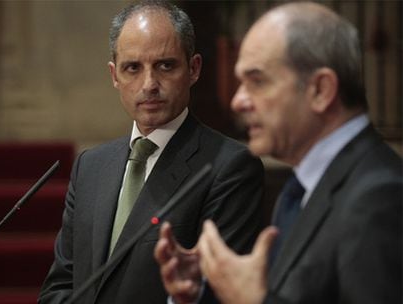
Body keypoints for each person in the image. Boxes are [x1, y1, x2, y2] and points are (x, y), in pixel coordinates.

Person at [155, 2, 402, 304]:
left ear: (320, 90)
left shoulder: (379, 196)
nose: (238, 101)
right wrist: (208, 289)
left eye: (257, 81)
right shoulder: (300, 188)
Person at [38, 1, 266, 303]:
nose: (149, 85)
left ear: (194, 68)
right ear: (114, 75)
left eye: (165, 65)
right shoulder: (90, 166)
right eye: (133, 68)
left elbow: (221, 295)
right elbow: (59, 288)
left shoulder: (230, 167)